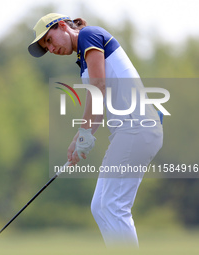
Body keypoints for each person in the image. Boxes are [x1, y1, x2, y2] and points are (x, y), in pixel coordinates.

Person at [28, 13, 163, 247]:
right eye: (45, 46)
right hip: (129, 131)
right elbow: (97, 104)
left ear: (62, 26)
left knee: (112, 206)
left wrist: (84, 134)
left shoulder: (89, 35)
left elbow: (99, 86)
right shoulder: (83, 60)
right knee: (100, 206)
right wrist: (78, 140)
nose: (50, 48)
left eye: (49, 40)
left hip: (137, 127)